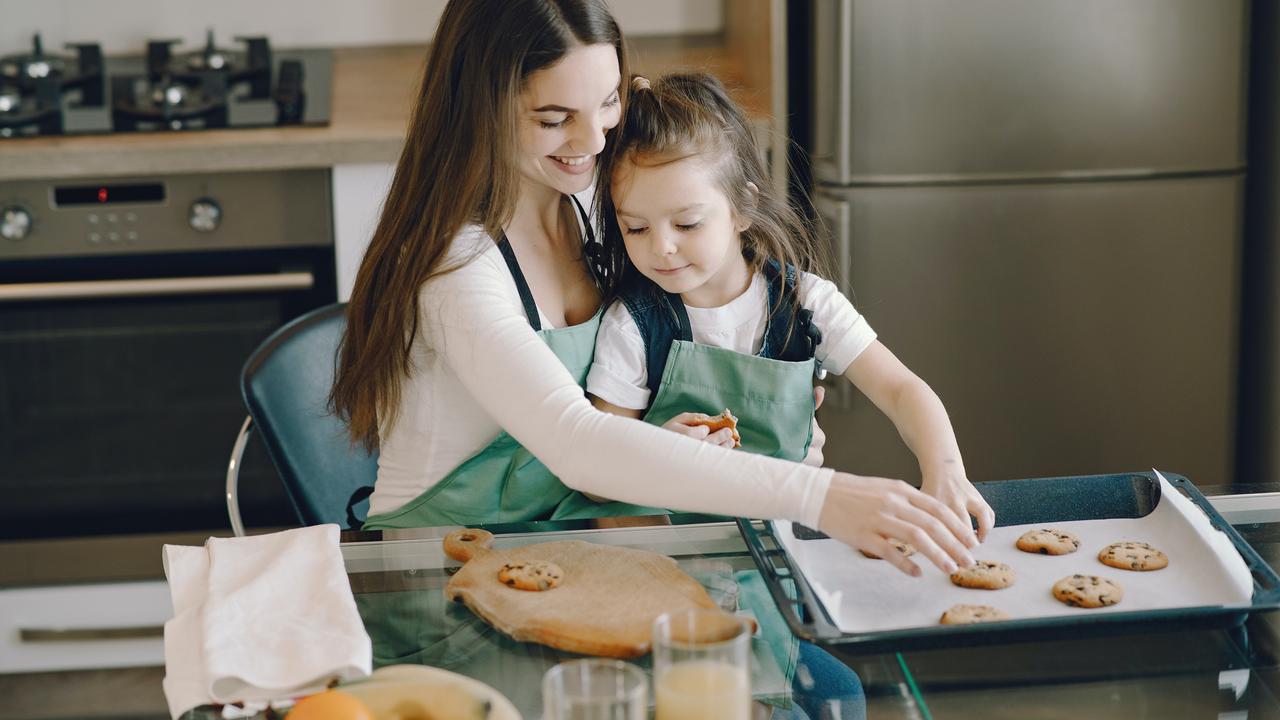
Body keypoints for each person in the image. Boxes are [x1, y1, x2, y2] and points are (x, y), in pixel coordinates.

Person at [330, 0, 980, 579]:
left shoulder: (589, 202)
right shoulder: (459, 264)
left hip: (562, 552)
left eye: (608, 102)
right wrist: (824, 497)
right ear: (482, 107)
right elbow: (578, 441)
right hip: (434, 573)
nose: (593, 142)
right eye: (556, 118)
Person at [585, 71, 995, 544]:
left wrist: (946, 472)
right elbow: (599, 471)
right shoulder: (632, 325)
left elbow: (902, 390)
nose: (663, 248)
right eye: (636, 228)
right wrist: (659, 452)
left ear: (742, 208)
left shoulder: (804, 303)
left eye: (688, 223)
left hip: (788, 547)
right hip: (673, 558)